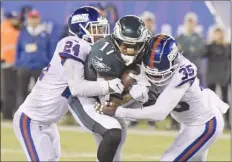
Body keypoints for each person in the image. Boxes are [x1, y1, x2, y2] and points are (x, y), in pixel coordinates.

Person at [13, 6, 122, 161]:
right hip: (31, 120)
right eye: (96, 28)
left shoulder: (89, 49)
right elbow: (77, 87)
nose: (101, 33)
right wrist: (108, 85)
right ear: (81, 29)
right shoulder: (73, 43)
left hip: (49, 122)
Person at [96, 34, 229, 161]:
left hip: (205, 123)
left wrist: (119, 111)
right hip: (188, 123)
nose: (154, 78)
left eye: (159, 74)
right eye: (150, 72)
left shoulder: (183, 71)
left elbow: (159, 112)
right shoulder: (144, 61)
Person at [68, 15, 150, 162]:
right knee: (113, 133)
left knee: (117, 144)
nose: (130, 51)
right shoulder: (103, 53)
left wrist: (143, 91)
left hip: (113, 97)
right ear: (117, 40)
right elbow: (108, 103)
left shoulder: (145, 52)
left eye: (135, 46)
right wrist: (133, 95)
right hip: (88, 100)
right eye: (125, 45)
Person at [14, 10, 52, 108]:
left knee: (40, 92)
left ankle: (40, 113)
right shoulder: (23, 33)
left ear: (39, 19)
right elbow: (18, 49)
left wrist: (47, 63)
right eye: (32, 18)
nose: (34, 21)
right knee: (22, 91)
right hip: (25, 65)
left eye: (35, 18)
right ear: (28, 19)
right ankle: (21, 113)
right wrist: (18, 63)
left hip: (40, 66)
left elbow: (50, 50)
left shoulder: (45, 34)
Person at [204, 26, 231, 130]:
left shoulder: (227, 47)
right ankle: (211, 123)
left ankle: (228, 123)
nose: (218, 36)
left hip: (223, 76)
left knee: (225, 100)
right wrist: (210, 42)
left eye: (220, 33)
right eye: (216, 33)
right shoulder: (210, 46)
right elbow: (203, 53)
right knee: (211, 101)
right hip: (212, 77)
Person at [1, 11, 20, 119]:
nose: (16, 20)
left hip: (13, 63)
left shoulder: (14, 29)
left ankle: (8, 114)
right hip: (7, 63)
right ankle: (7, 114)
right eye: (14, 18)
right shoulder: (6, 29)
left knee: (12, 90)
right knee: (9, 90)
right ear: (9, 19)